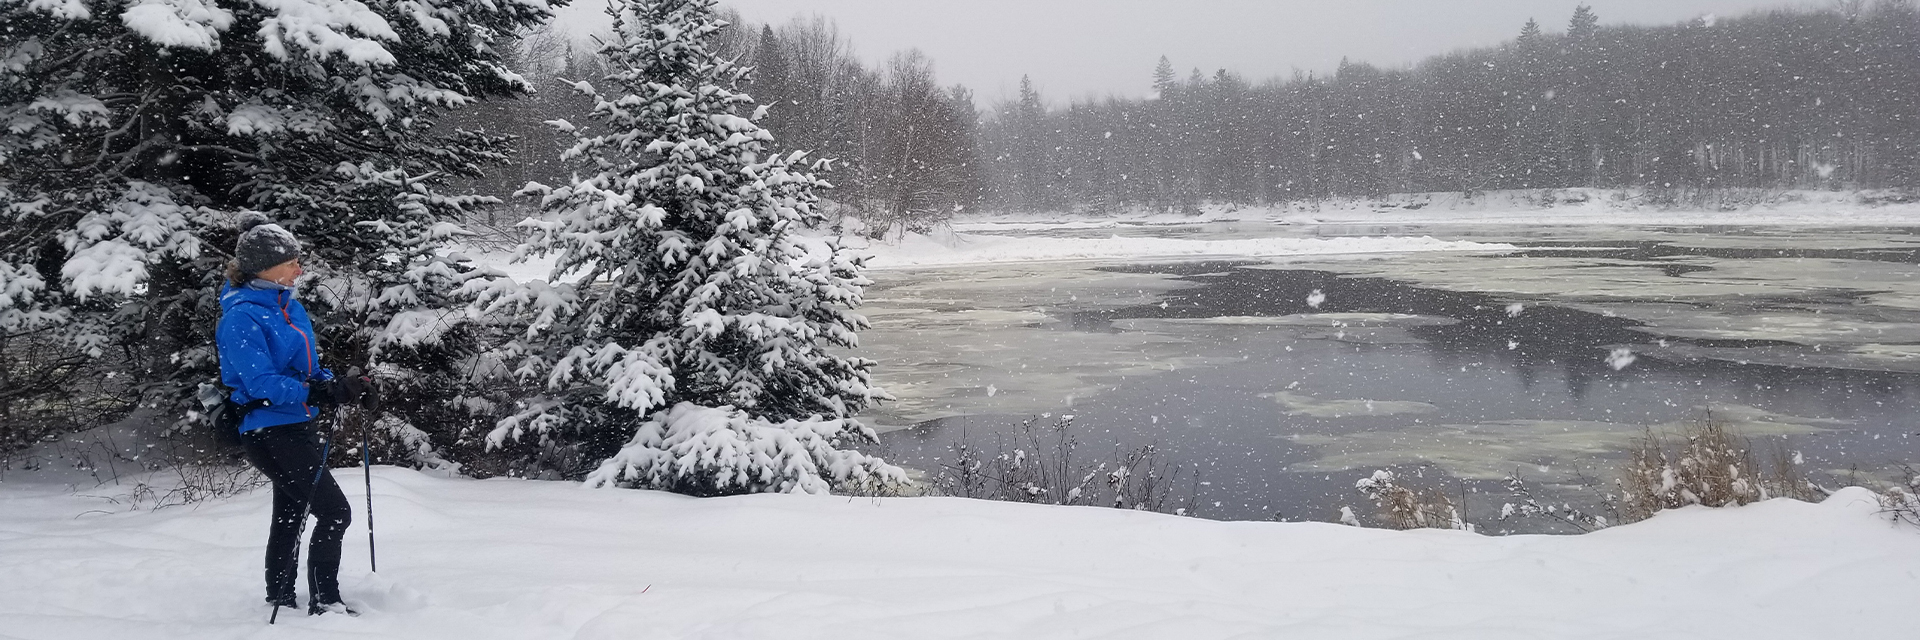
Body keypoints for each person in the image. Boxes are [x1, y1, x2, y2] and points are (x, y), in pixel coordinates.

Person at [216, 215, 372, 617]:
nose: (299, 269)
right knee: (335, 512)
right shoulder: (241, 316)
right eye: (291, 263)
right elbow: (260, 382)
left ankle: (281, 595)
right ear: (263, 268)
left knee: (290, 509)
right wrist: (316, 390)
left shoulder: (289, 307)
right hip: (268, 429)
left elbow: (308, 369)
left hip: (295, 424)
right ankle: (326, 601)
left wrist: (346, 386)